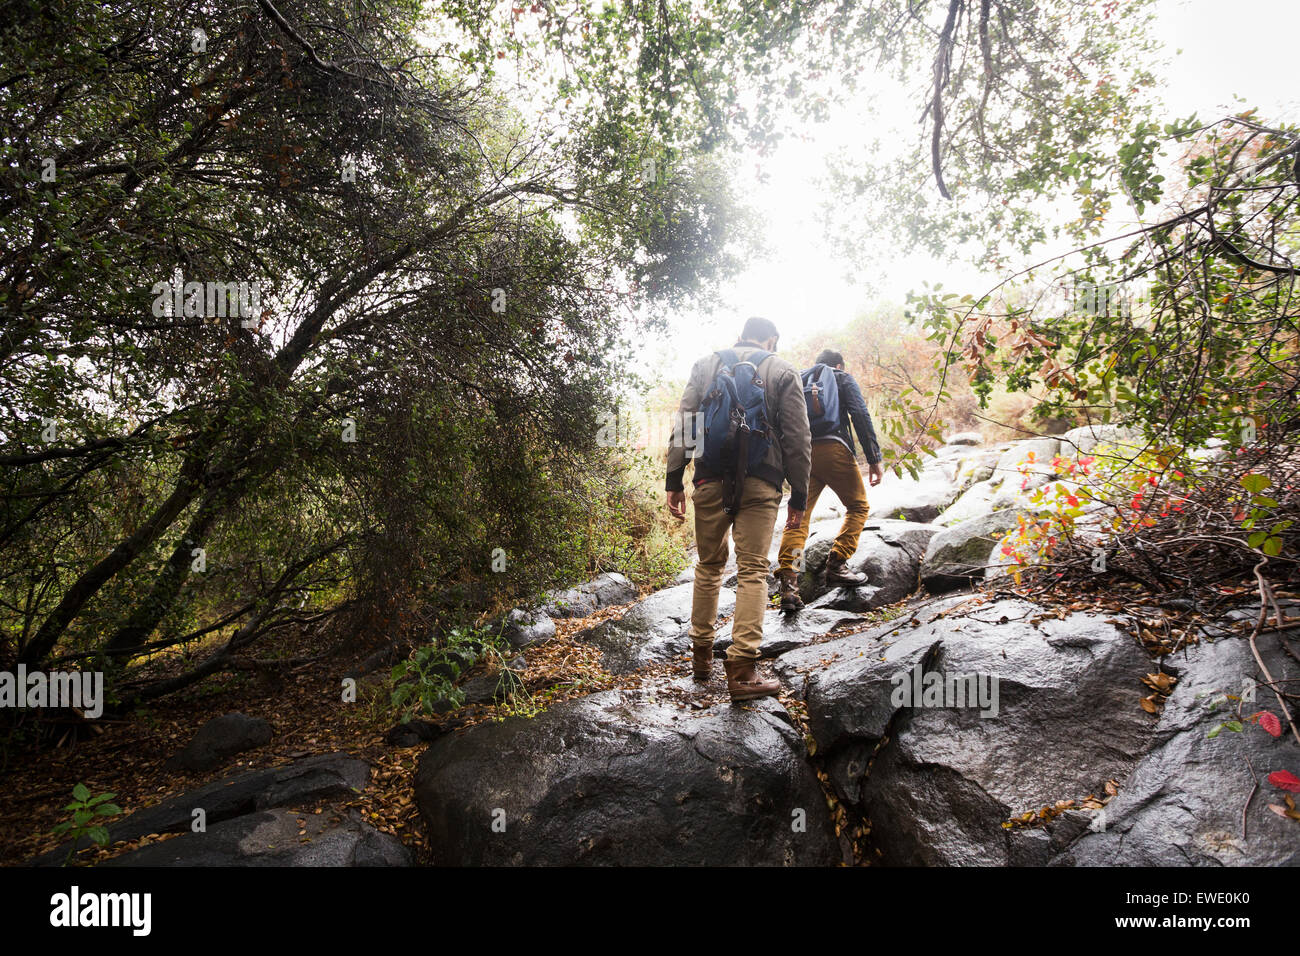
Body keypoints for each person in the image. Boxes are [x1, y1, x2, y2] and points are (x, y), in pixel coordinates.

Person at [666, 317, 811, 701]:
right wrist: (799, 494)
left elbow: (686, 424)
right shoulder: (782, 369)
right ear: (771, 339)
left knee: (709, 565)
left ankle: (701, 659)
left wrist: (673, 480)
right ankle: (742, 670)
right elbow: (798, 437)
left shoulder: (705, 364)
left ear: (739, 335)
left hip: (708, 479)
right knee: (752, 570)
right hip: (761, 481)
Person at [776, 349, 884, 611]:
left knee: (798, 518)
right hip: (834, 450)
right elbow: (859, 414)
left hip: (802, 456)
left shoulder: (798, 380)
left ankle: (790, 587)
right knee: (858, 506)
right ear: (839, 365)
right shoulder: (841, 377)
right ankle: (837, 563)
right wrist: (874, 457)